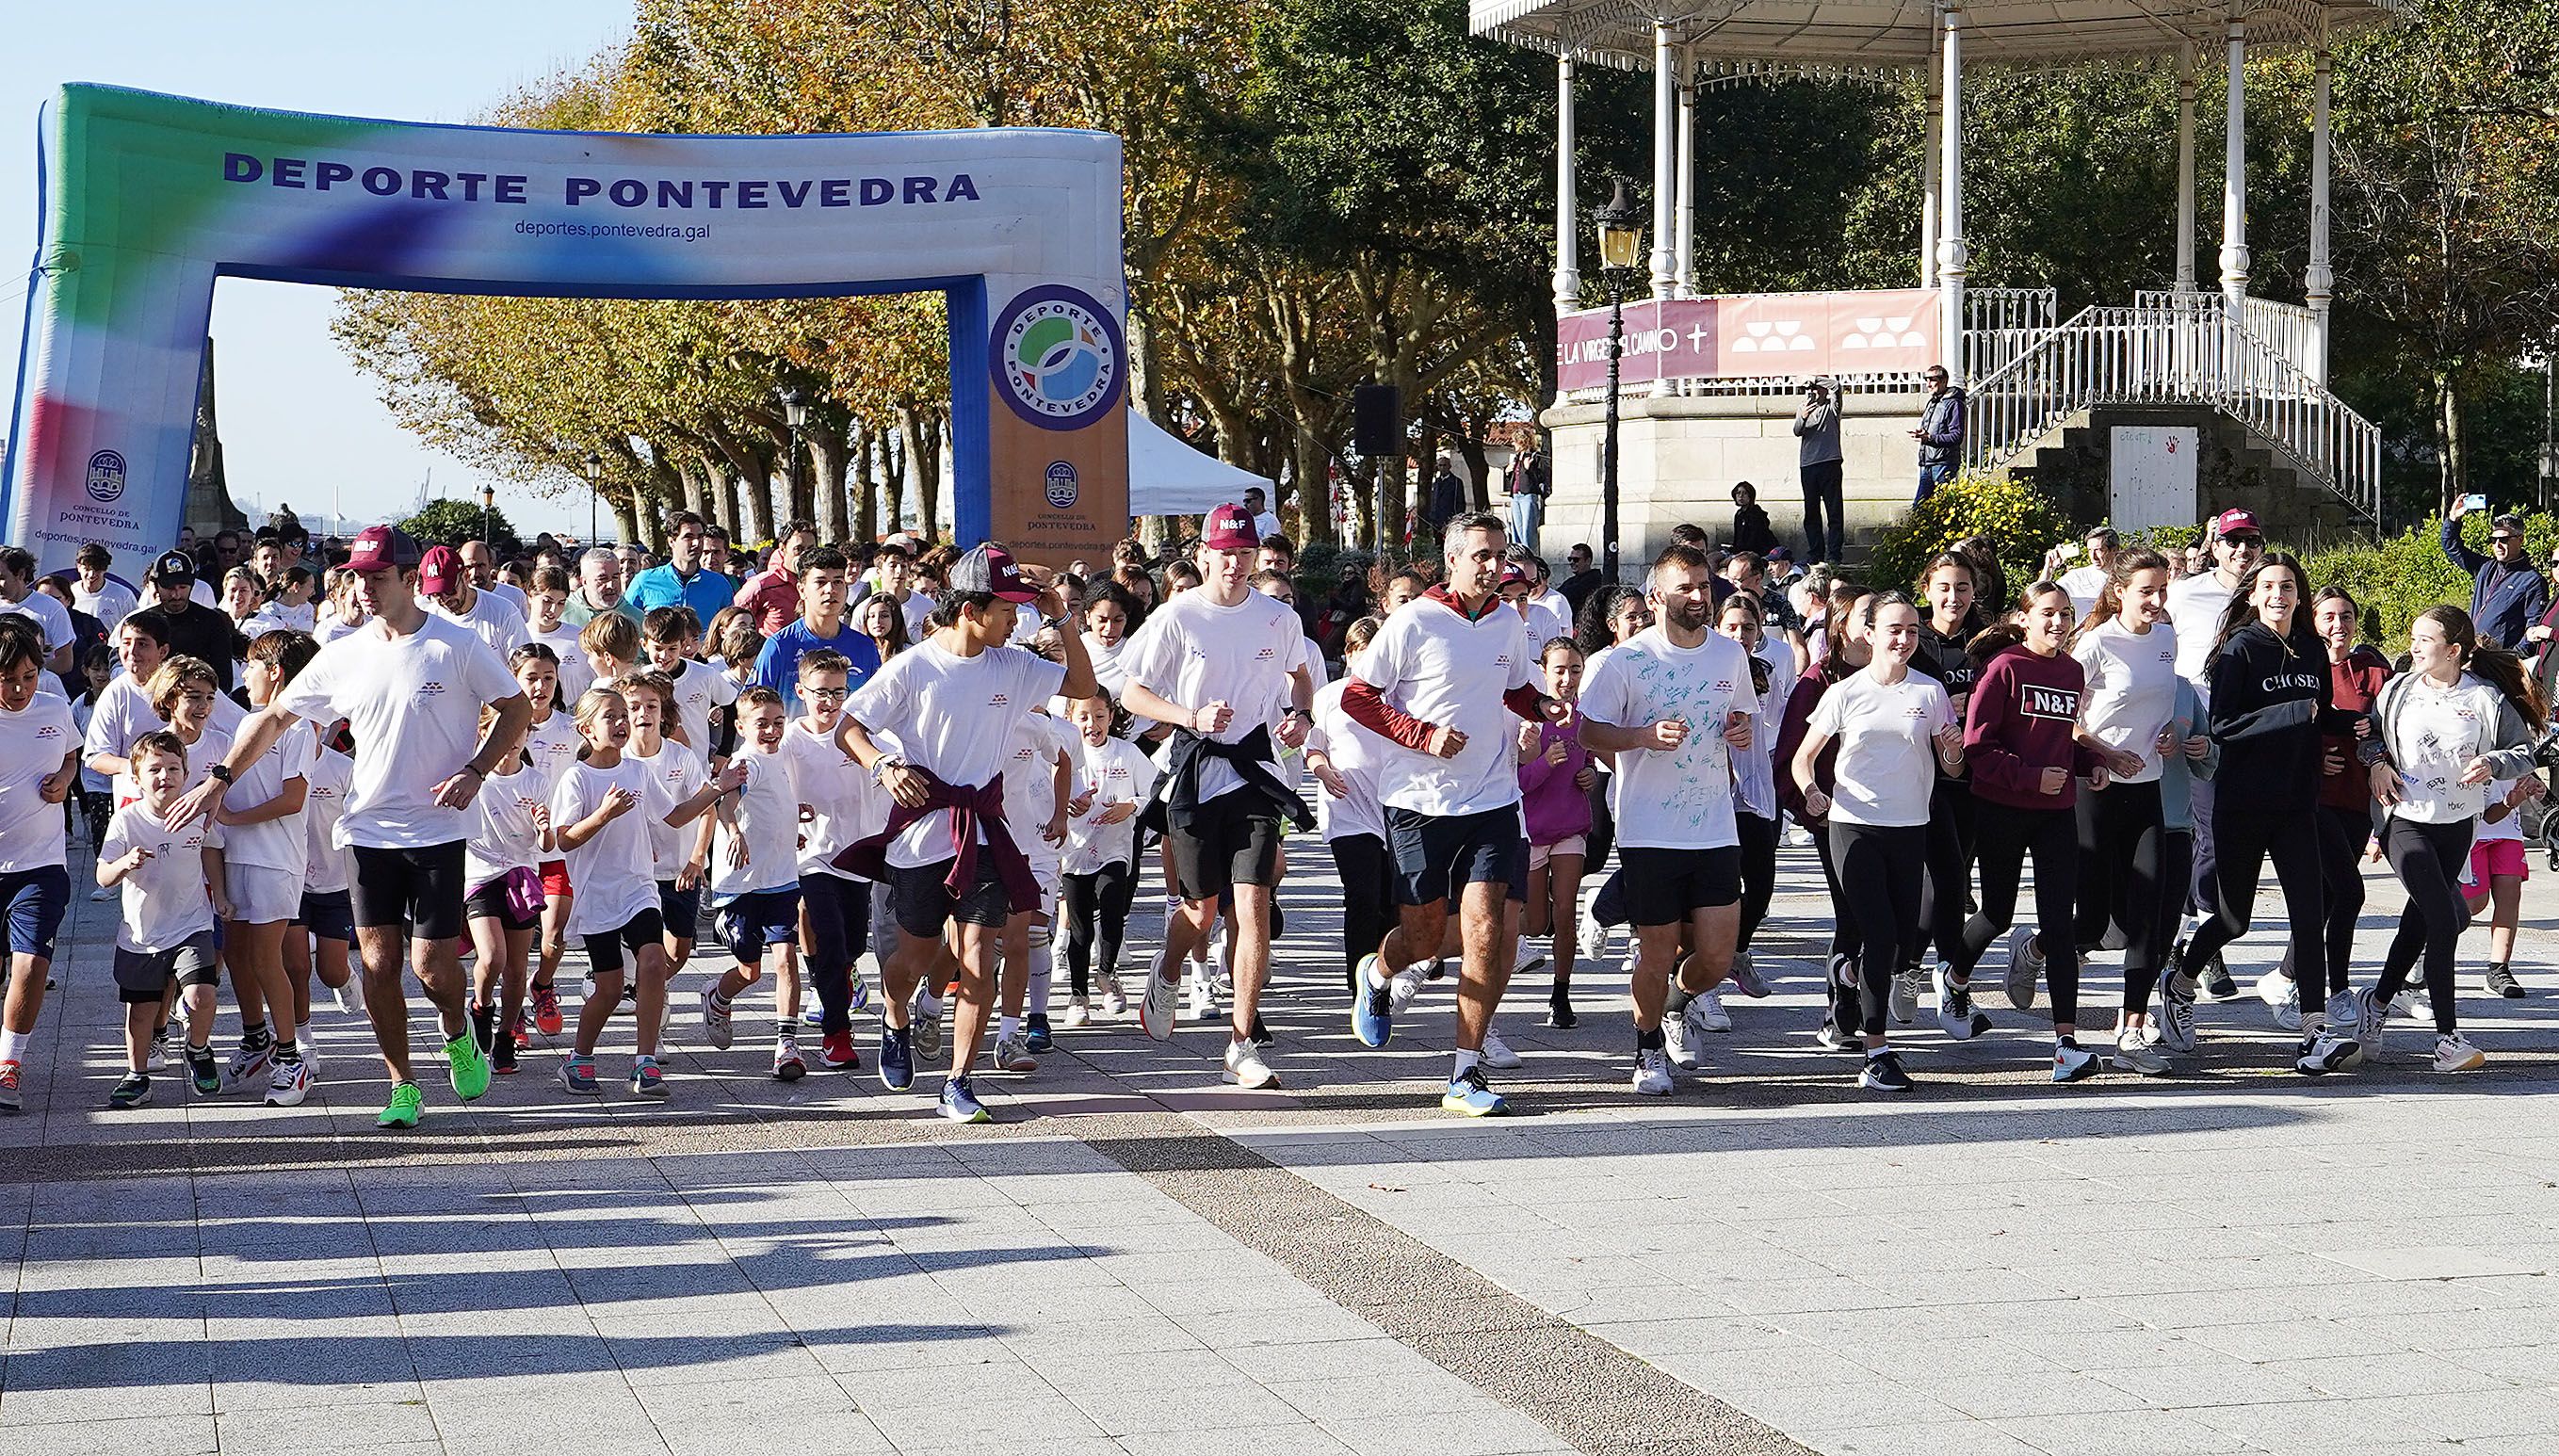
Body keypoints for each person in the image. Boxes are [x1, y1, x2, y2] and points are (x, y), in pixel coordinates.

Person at [169, 526, 532, 1131]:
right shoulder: (343, 652)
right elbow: (275, 718)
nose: (363, 587)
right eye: (356, 576)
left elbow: (516, 707)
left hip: (438, 830)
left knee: (434, 967)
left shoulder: (457, 645)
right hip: (367, 830)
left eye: (377, 576)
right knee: (379, 963)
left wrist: (475, 769)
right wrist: (220, 777)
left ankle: (458, 1028)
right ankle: (402, 1086)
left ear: (411, 578)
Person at [834, 543, 1096, 1124]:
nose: (1016, 619)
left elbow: (1082, 687)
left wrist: (1059, 614)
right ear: (971, 610)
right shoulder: (912, 667)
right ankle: (897, 1015)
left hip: (984, 830)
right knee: (916, 957)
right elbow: (849, 728)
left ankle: (958, 1080)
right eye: (1008, 609)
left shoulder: (1014, 664)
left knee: (981, 955)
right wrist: (883, 766)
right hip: (922, 831)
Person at [1343, 511, 1567, 1117]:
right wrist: (1420, 735)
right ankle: (1379, 974)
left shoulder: (1505, 623)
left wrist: (1543, 705)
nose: (1494, 568)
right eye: (1482, 557)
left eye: (1501, 556)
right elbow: (1356, 698)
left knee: (1487, 932)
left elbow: (1514, 689)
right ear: (1451, 560)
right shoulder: (1413, 621)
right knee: (1421, 937)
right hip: (1418, 800)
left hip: (1492, 798)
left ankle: (1465, 1073)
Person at [1116, 504, 1314, 1089]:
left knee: (1250, 906)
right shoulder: (1177, 617)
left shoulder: (1278, 618)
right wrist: (1190, 716)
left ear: (1256, 558)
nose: (1234, 564)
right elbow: (1132, 694)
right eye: (1224, 553)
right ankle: (1169, 964)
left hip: (1254, 769)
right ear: (1203, 555)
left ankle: (1242, 1042)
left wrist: (1299, 716)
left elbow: (1301, 676)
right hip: (1197, 768)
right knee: (1200, 911)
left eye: (1244, 554)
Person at [2161, 554, 2364, 1075]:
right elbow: (2225, 725)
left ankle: (2314, 1032)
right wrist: (2294, 712)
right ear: (2252, 595)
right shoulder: (2239, 650)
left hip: (2298, 801)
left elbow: (2318, 716)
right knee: (2233, 918)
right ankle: (2181, 980)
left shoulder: (2312, 649)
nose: (2280, 595)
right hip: (2243, 802)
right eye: (2270, 586)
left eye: (2289, 586)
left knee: (2308, 912)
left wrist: (2355, 723)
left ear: (2300, 595)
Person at [1577, 543, 1762, 1095]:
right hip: (1650, 828)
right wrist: (1640, 737)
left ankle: (1673, 1004)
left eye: (1704, 585)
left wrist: (1741, 734)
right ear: (1657, 596)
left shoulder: (1728, 656)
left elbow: (1741, 720)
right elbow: (1587, 733)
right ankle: (1647, 1047)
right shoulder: (1624, 661)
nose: (1700, 596)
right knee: (1656, 949)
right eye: (1686, 587)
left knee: (1717, 956)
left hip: (1714, 827)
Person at [2355, 607, 2545, 1071]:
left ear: (2454, 651)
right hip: (2405, 818)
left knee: (2420, 921)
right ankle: (2447, 1038)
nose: (2414, 647)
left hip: (2458, 825)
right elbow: (2369, 738)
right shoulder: (2397, 689)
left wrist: (2493, 764)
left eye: (2425, 640)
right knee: (2445, 920)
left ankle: (2376, 1004)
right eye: (2413, 638)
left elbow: (2524, 752)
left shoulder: (2486, 698)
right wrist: (2378, 762)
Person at [1790, 592, 1964, 1092]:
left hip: (1911, 828)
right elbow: (1804, 758)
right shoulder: (1844, 693)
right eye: (1894, 629)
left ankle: (1851, 974)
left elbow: (1952, 767)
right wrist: (1812, 792)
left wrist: (1952, 752)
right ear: (1869, 633)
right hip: (1854, 825)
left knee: (1904, 945)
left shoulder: (1930, 693)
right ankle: (1876, 1052)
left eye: (1911, 630)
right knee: (1880, 932)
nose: (1903, 639)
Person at [1945, 581, 2112, 1079]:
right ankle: (1953, 978)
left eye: (2065, 614)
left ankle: (2066, 1045)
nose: (2058, 622)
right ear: (2024, 619)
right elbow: (1977, 748)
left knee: (2060, 924)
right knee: (1996, 910)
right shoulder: (2004, 669)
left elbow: (2059, 742)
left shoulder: (2072, 671)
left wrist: (2090, 762)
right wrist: (2029, 777)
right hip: (2001, 808)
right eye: (2047, 613)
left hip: (2056, 811)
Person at [2067, 549, 2184, 1075]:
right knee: (2091, 921)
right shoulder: (2094, 644)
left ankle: (2132, 1028)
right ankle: (2041, 947)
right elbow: (2062, 719)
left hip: (2147, 789)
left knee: (2149, 915)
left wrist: (2167, 735)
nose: (2157, 601)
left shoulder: (2167, 638)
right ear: (2119, 593)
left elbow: (2161, 706)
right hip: (2096, 787)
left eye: (2162, 590)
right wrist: (2106, 753)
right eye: (2146, 592)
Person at [212, 630, 323, 1106]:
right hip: (236, 855)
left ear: (274, 672)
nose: (246, 675)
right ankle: (256, 1038)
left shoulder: (297, 727)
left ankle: (291, 1056)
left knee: (264, 957)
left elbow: (294, 799)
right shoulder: (248, 723)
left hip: (276, 861)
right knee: (236, 955)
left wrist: (233, 816)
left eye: (252, 665)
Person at [2164, 509, 2265, 1002]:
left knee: (2216, 835)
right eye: (2233, 542)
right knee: (2206, 835)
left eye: (2251, 541)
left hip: (2248, 733)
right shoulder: (2186, 593)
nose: (2242, 550)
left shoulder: (2266, 594)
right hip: (2196, 730)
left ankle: (2183, 934)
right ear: (2216, 545)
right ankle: (2207, 945)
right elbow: (2162, 645)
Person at [97, 731, 225, 1110]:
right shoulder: (126, 821)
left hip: (192, 924)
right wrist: (125, 863)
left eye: (173, 768)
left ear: (186, 774)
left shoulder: (195, 814)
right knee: (141, 1011)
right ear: (136, 778)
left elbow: (212, 850)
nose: (164, 776)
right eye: (154, 769)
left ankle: (198, 1049)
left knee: (202, 994)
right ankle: (137, 1075)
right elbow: (102, 875)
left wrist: (221, 897)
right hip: (142, 935)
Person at [699, 688, 812, 1080]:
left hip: (781, 878)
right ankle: (717, 995)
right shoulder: (746, 762)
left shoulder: (782, 756)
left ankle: (787, 1045)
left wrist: (793, 821)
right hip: (743, 883)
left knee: (786, 960)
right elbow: (725, 802)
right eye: (761, 723)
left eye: (778, 722)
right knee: (751, 971)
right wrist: (733, 833)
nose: (771, 730)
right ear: (740, 726)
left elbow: (772, 804)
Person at [778, 650, 880, 1069]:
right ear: (801, 691)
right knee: (832, 938)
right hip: (812, 856)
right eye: (820, 693)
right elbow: (768, 783)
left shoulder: (858, 732)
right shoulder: (789, 739)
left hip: (857, 851)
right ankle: (836, 1033)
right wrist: (789, 812)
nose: (830, 702)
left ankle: (837, 977)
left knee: (854, 943)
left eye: (839, 693)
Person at [0, 618, 78, 1112]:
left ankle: (9, 1065)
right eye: (9, 678)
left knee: (30, 966)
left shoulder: (54, 706)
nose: (21, 687)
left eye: (30, 675)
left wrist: (66, 777)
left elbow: (72, 752)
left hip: (41, 864)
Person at [461, 699, 550, 1080]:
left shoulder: (537, 781)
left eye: (518, 731)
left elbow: (546, 845)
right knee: (492, 957)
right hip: (480, 876)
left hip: (521, 877)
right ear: (484, 733)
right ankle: (481, 1007)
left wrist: (545, 829)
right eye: (501, 731)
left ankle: (506, 1036)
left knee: (516, 969)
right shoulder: (473, 777)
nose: (511, 740)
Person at [1058, 689, 1158, 1026]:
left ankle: (1107, 974)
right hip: (1075, 852)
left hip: (1115, 849)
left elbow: (1153, 789)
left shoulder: (1127, 753)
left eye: (1099, 717)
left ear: (1111, 718)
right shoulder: (1064, 755)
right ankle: (1078, 995)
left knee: (1114, 904)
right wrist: (1066, 805)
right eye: (1084, 717)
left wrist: (1131, 806)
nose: (1092, 725)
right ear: (1070, 718)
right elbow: (1043, 795)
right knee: (1081, 929)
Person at [1515, 636, 1592, 1032]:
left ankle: (1561, 994)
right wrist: (1545, 762)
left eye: (1574, 670)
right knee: (1534, 923)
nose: (1567, 678)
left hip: (1570, 826)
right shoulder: (1528, 721)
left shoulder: (1586, 718)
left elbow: (1592, 760)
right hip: (1532, 830)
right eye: (1559, 670)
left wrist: (1589, 775)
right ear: (1543, 671)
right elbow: (1519, 782)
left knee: (1566, 911)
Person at [753, 548, 881, 715]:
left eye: (837, 582)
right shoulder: (779, 645)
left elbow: (879, 705)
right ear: (801, 589)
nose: (830, 590)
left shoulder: (864, 646)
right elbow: (753, 705)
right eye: (820, 582)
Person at [2440, 499, 2550, 651]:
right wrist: (2453, 519)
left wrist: (2514, 656)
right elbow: (2452, 547)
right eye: (2493, 540)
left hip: (2500, 660)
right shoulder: (2486, 567)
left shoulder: (2532, 581)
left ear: (2520, 539)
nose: (2497, 545)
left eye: (2504, 540)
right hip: (2474, 652)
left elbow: (2534, 626)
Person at [643, 607, 740, 756]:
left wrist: (724, 752)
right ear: (644, 645)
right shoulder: (641, 680)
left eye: (672, 649)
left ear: (681, 645)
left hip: (698, 766)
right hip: (655, 768)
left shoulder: (704, 674)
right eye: (658, 648)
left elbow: (731, 705)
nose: (664, 655)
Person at [146, 551, 245, 691]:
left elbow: (223, 677)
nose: (176, 595)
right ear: (156, 587)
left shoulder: (212, 622)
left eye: (182, 587)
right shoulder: (145, 622)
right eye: (169, 588)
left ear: (192, 585)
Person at [627, 511, 740, 624]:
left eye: (700, 537)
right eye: (688, 537)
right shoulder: (644, 580)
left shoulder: (719, 584)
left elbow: (729, 629)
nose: (696, 543)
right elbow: (626, 624)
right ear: (672, 541)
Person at [422, 545, 532, 660]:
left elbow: (524, 665)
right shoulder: (429, 617)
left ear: (465, 576)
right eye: (436, 594)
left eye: (450, 590)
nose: (444, 599)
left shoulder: (504, 612)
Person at [1792, 380, 1845, 563]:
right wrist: (1804, 416)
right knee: (1811, 512)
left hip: (1830, 462)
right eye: (1809, 389)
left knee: (1834, 511)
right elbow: (1797, 431)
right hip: (1808, 465)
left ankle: (1834, 554)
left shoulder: (1832, 406)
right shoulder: (1803, 407)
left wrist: (1814, 378)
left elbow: (1836, 386)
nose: (1812, 391)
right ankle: (1815, 552)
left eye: (1815, 388)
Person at [0, 547, 74, 675]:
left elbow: (65, 661)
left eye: (1, 577)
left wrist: (29, 674)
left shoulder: (52, 608)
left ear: (21, 574)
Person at [734, 521, 815, 637]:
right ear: (782, 548)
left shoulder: (821, 583)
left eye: (810, 549)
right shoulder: (761, 584)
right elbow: (733, 621)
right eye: (798, 549)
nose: (805, 555)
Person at [1910, 364, 1965, 503]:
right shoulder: (1933, 402)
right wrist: (1923, 435)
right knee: (1919, 508)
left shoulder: (1954, 404)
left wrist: (1930, 438)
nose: (1928, 384)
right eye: (1926, 380)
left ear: (1944, 381)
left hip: (1944, 463)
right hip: (1927, 462)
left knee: (1943, 507)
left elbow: (1956, 435)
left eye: (1932, 380)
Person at [70, 543, 139, 636]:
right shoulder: (70, 592)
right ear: (78, 567)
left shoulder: (124, 595)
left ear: (105, 569)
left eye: (97, 570)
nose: (91, 575)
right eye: (86, 569)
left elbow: (136, 629)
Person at [560, 546, 640, 627]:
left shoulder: (637, 618)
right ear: (584, 581)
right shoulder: (561, 613)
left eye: (615, 577)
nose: (611, 586)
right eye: (603, 579)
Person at [2056, 528, 2120, 617]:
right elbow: (2040, 597)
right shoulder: (2078, 577)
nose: (2093, 557)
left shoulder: (2128, 576)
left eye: (2098, 550)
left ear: (2114, 550)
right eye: (2090, 550)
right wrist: (2049, 568)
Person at [1505, 443, 1548, 554]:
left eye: (1515, 441)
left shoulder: (1534, 456)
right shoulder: (1516, 457)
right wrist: (1508, 472)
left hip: (1528, 495)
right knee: (1516, 529)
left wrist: (1529, 468)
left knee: (1527, 529)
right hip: (1515, 495)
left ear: (1522, 441)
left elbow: (1541, 477)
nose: (1513, 443)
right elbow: (1515, 477)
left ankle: (1529, 555)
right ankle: (1518, 555)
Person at [1728, 481, 1778, 557]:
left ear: (1750, 496)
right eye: (1738, 493)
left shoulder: (1756, 514)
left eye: (1745, 493)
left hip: (1759, 552)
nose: (1741, 496)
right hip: (1743, 551)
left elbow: (1755, 538)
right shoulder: (1739, 514)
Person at [1428, 458, 1466, 534]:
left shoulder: (1456, 482)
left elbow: (1460, 504)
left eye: (1444, 465)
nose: (1442, 468)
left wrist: (1452, 522)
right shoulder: (1436, 482)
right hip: (1435, 523)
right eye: (1440, 466)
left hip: (1449, 522)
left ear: (1449, 466)